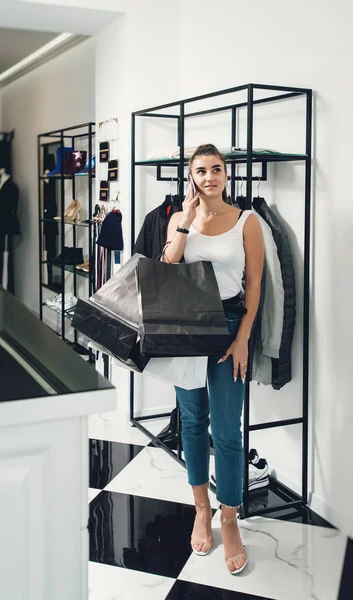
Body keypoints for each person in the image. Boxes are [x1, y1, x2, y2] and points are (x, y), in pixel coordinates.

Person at [163, 143, 264, 574]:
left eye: (216, 170)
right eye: (201, 171)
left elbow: (255, 286)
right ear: (191, 177)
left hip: (227, 324)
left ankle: (229, 517)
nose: (209, 178)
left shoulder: (248, 221)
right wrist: (185, 223)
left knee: (226, 427)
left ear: (227, 174)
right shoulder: (177, 219)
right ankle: (201, 509)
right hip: (186, 326)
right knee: (192, 421)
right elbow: (168, 266)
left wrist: (242, 338)